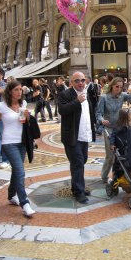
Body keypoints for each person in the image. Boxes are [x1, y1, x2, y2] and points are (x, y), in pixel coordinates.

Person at [0, 80, 35, 217]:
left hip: (22, 142)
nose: (19, 92)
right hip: (8, 143)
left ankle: (11, 195)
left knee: (17, 171)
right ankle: (25, 203)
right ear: (10, 91)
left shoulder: (23, 104)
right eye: (16, 89)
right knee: (20, 171)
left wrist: (28, 117)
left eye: (20, 89)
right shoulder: (0, 106)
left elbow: (25, 123)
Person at [58, 71, 96, 204]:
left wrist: (95, 126)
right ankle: (79, 192)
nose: (80, 83)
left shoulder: (87, 93)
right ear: (71, 83)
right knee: (78, 162)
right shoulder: (65, 94)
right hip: (72, 136)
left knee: (81, 161)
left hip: (84, 134)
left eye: (83, 80)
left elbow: (89, 112)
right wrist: (76, 101)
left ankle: (76, 187)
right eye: (77, 81)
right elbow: (62, 110)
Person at [96, 77, 131, 183]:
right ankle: (104, 176)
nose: (119, 89)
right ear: (112, 86)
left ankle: (117, 176)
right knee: (110, 155)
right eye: (117, 86)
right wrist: (102, 120)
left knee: (121, 154)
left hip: (119, 128)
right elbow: (98, 113)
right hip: (109, 129)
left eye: (120, 87)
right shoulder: (104, 98)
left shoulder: (122, 96)